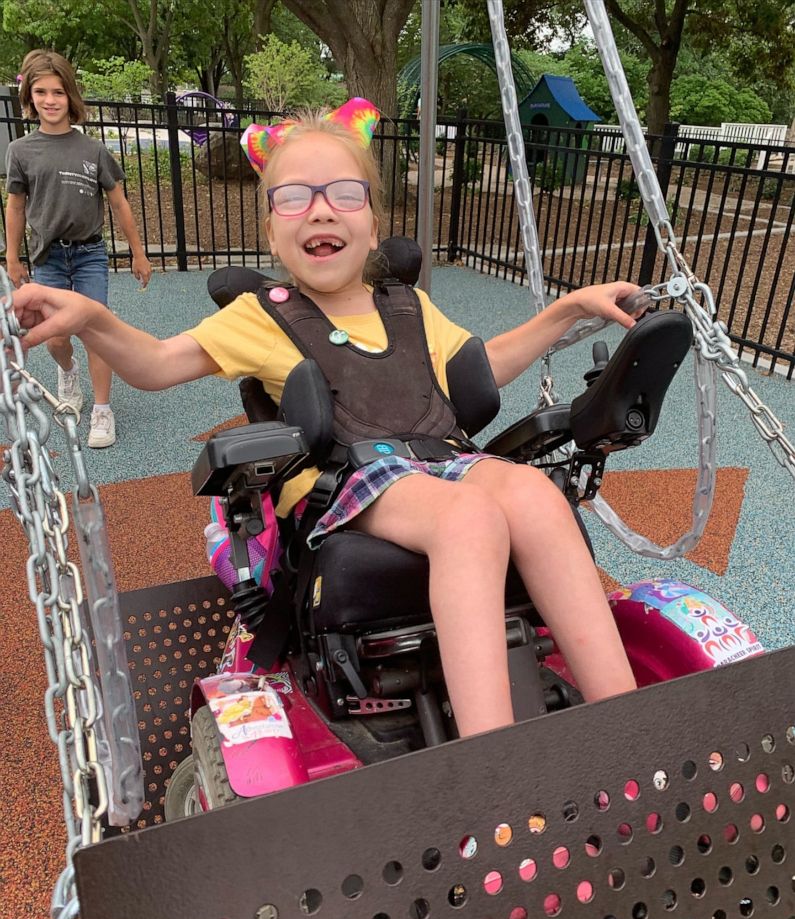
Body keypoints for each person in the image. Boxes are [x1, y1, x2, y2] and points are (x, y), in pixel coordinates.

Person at [11, 97, 642, 738]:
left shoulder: (408, 307)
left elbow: (484, 364)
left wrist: (568, 310)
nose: (319, 208)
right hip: (348, 483)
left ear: (371, 222)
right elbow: (152, 363)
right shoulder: (262, 314)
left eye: (343, 193)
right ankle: (490, 762)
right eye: (294, 198)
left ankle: (627, 733)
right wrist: (92, 319)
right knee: (470, 518)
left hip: (444, 458)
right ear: (272, 229)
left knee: (536, 492)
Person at [4, 49, 152, 448]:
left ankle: (102, 410)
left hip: (88, 255)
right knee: (55, 337)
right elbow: (15, 205)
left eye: (58, 91)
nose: (50, 100)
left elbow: (119, 202)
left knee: (95, 331)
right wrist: (12, 257)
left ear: (71, 96)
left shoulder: (92, 151)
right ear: (29, 98)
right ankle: (68, 372)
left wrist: (138, 252)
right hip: (48, 258)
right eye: (40, 92)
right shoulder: (21, 151)